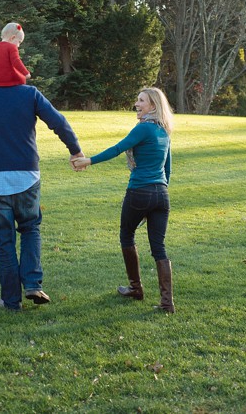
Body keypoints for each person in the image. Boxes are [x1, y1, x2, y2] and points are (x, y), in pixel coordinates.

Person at [0, 79, 83, 311]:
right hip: (26, 175)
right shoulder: (30, 94)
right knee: (30, 228)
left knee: (3, 240)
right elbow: (59, 122)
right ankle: (33, 283)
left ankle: (10, 301)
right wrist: (75, 150)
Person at [72, 88, 175, 313]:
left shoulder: (144, 129)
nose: (136, 104)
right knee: (159, 247)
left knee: (126, 236)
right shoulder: (164, 132)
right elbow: (167, 168)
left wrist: (89, 160)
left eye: (141, 101)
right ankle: (167, 303)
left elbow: (118, 148)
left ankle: (136, 288)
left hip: (139, 191)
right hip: (162, 194)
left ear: (153, 106)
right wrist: (160, 191)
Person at [0, 22, 31, 87]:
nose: (18, 46)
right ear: (12, 38)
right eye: (19, 42)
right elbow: (16, 61)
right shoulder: (12, 47)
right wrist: (26, 73)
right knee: (20, 78)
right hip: (7, 80)